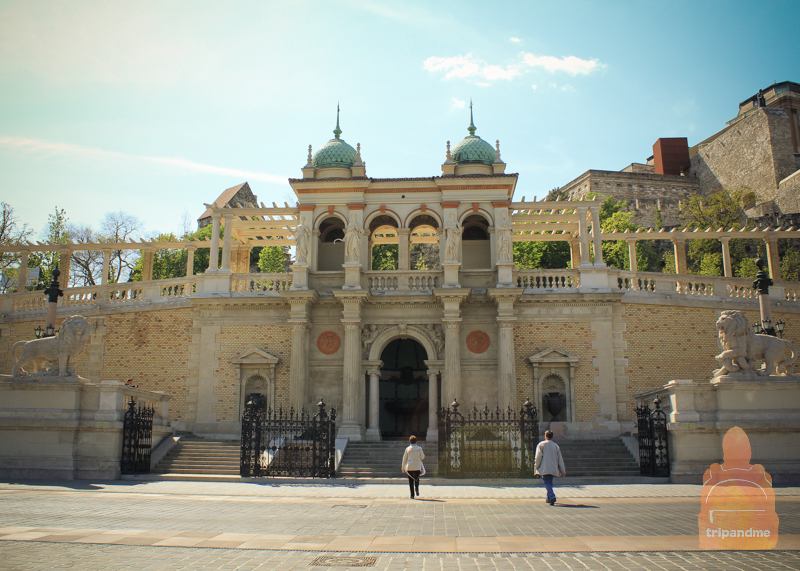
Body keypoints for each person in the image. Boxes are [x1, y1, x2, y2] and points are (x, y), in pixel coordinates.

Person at [534, 430, 566, 506]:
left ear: (546, 436)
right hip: (553, 467)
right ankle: (548, 498)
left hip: (544, 467)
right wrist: (563, 471)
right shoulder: (555, 446)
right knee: (549, 482)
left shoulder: (541, 445)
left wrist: (536, 467)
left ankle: (552, 496)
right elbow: (560, 459)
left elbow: (538, 457)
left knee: (546, 482)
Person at [401, 435, 425, 499]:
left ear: (410, 441)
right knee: (417, 478)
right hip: (417, 465)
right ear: (416, 441)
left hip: (410, 466)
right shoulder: (419, 448)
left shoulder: (407, 449)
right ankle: (417, 489)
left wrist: (403, 467)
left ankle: (412, 495)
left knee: (410, 481)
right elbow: (422, 457)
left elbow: (404, 459)